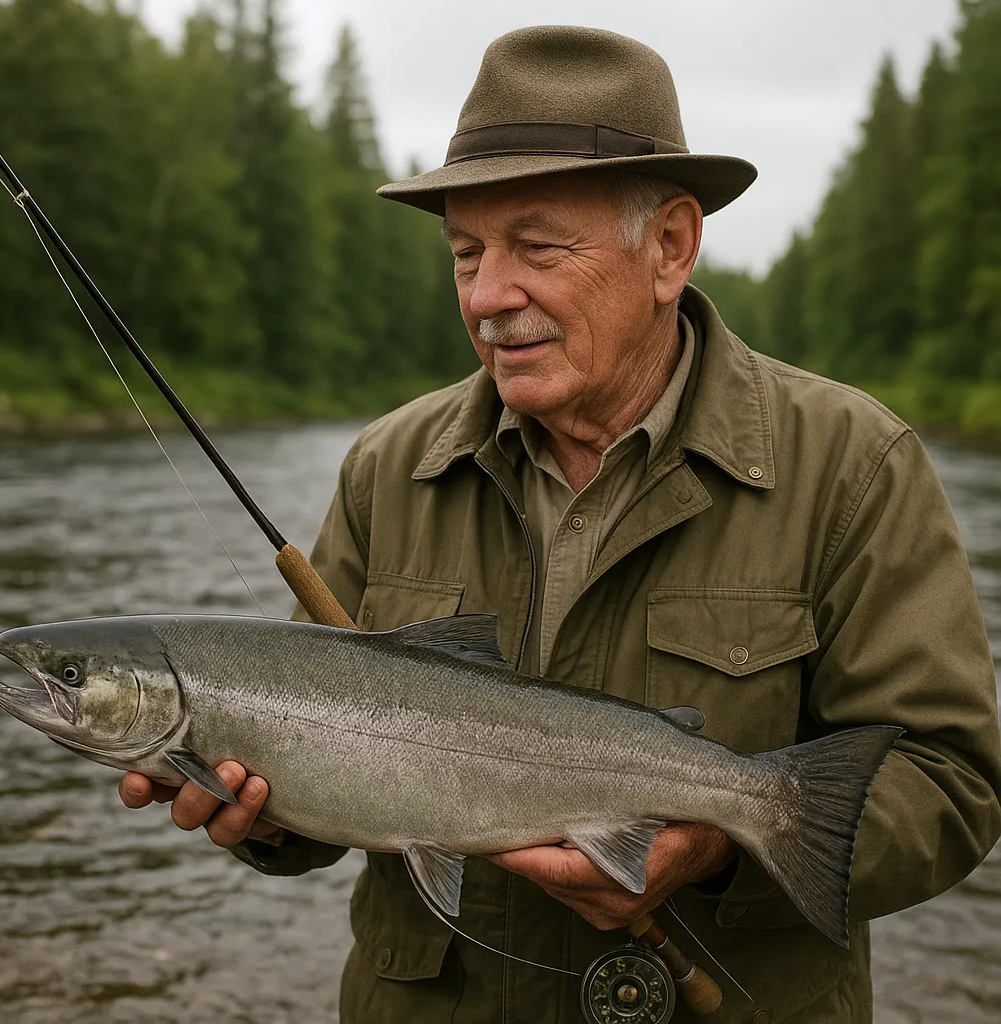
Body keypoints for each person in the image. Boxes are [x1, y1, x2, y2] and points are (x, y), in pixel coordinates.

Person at [119, 26, 1001, 1023]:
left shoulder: (852, 466)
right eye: (465, 253)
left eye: (535, 247)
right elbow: (334, 788)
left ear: (668, 245)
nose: (490, 296)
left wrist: (715, 851)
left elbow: (950, 783)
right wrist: (263, 818)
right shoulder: (387, 466)